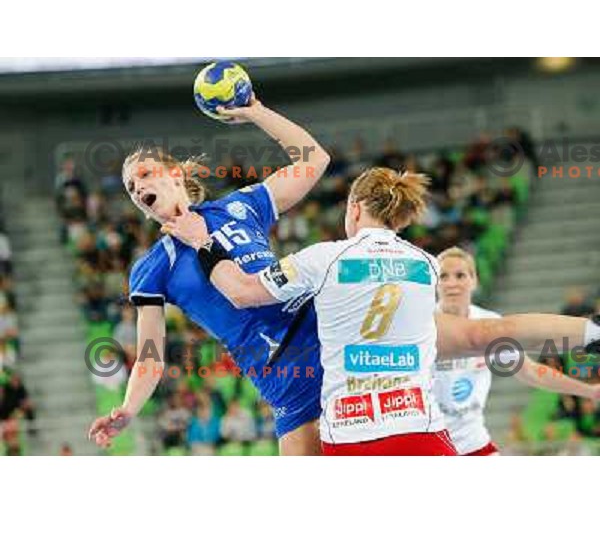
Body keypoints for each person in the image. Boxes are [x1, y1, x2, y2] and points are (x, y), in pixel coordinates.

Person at [161, 166, 600, 455]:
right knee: (490, 331)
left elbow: (240, 292)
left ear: (354, 209)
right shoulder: (425, 265)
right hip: (419, 431)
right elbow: (465, 334)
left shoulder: (323, 258)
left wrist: (203, 240)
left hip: (351, 439)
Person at [89, 95, 332, 455]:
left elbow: (314, 160)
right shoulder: (153, 267)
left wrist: (255, 112)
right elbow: (151, 355)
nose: (138, 189)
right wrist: (128, 408)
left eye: (144, 175)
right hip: (284, 382)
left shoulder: (239, 207)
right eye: (130, 187)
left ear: (174, 174)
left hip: (330, 344)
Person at [434, 247, 599, 456]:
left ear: (474, 280)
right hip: (429, 443)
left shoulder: (489, 325)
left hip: (472, 442)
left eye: (460, 275)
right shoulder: (423, 324)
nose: (452, 284)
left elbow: (530, 372)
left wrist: (590, 391)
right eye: (443, 276)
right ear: (435, 283)